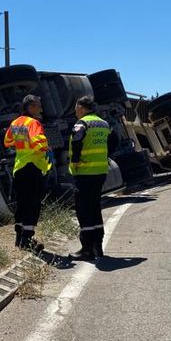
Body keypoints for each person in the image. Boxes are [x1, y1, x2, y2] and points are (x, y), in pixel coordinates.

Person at [68, 96, 115, 261]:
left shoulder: (82, 123)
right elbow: (114, 141)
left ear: (81, 108)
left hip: (84, 171)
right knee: (95, 208)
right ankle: (97, 247)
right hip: (100, 171)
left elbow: (76, 141)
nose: (75, 111)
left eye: (76, 108)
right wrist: (105, 156)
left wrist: (75, 161)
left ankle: (87, 249)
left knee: (84, 210)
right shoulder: (104, 123)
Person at [4, 94, 51, 253]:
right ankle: (28, 239)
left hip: (19, 167)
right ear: (31, 107)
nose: (41, 109)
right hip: (33, 166)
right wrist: (46, 148)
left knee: (22, 203)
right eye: (38, 106)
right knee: (33, 203)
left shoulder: (16, 123)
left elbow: (7, 142)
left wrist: (22, 144)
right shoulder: (33, 123)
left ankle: (19, 237)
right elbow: (39, 143)